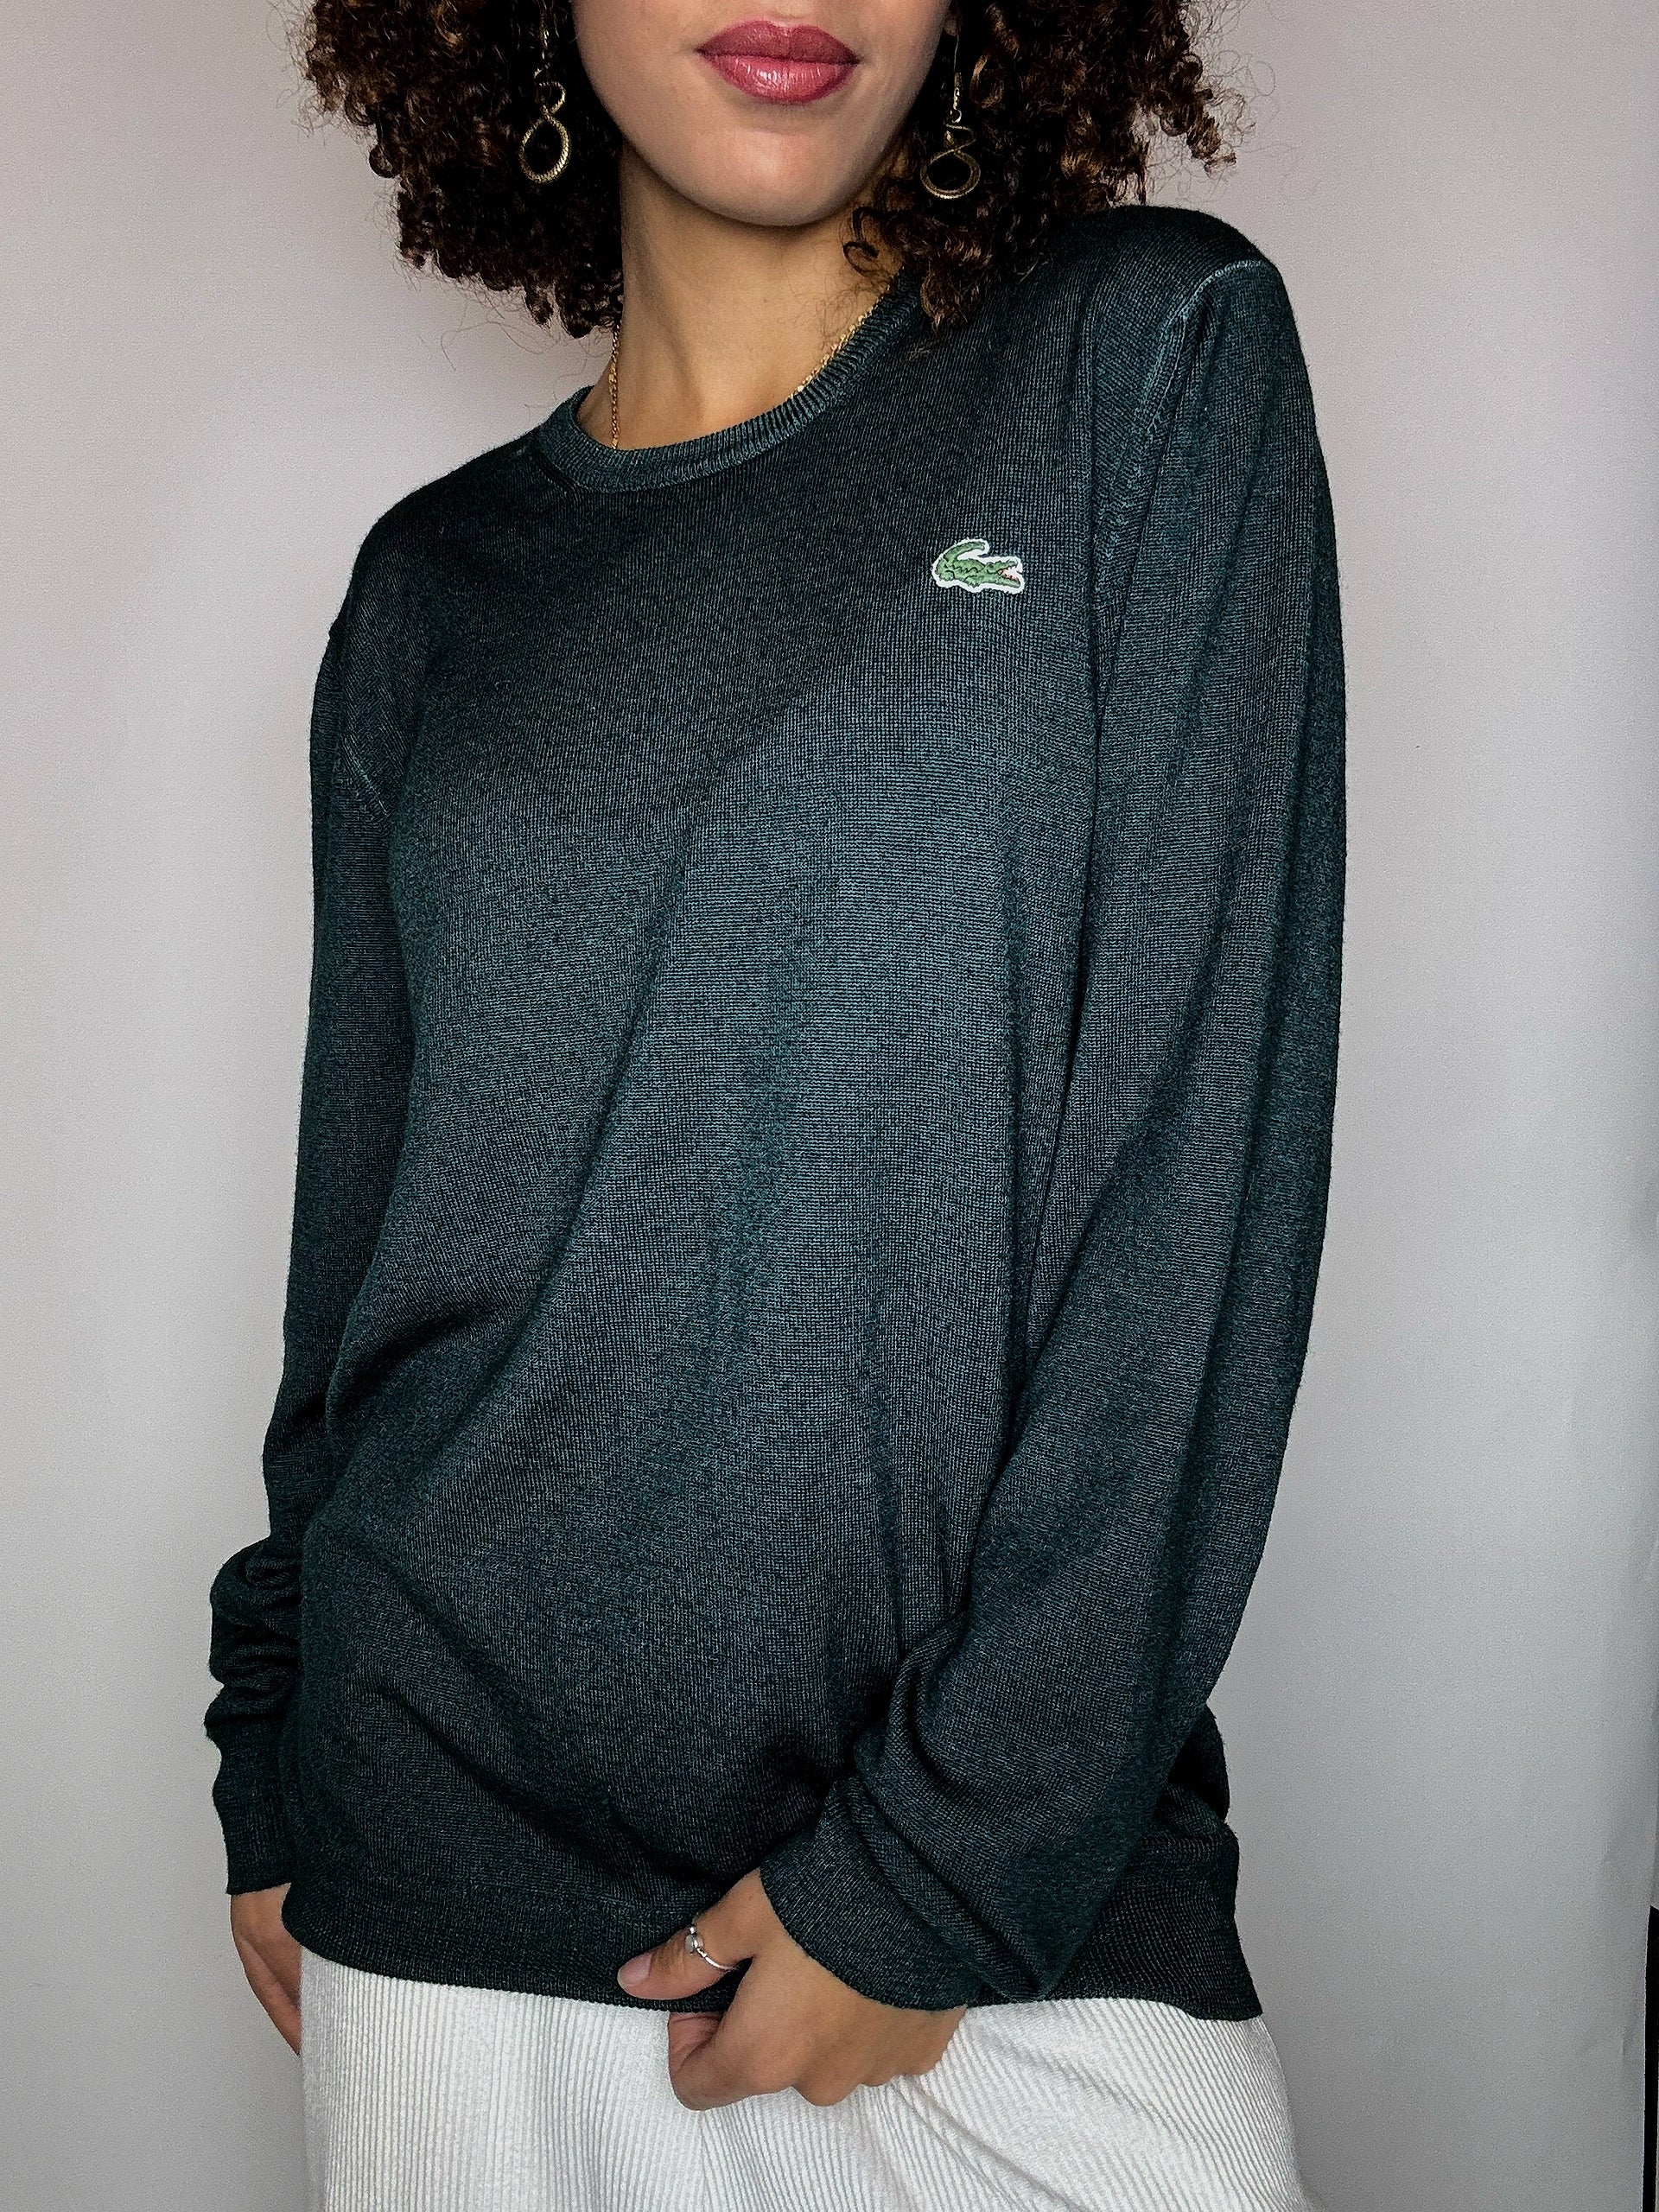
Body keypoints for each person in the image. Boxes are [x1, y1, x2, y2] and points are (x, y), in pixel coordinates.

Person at [205, 1, 1345, 2204]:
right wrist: (276, 1741)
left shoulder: (1147, 360)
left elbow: (1199, 1199)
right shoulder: (430, 590)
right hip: (436, 1851)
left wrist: (944, 1862)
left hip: (980, 1905)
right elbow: (355, 1256)